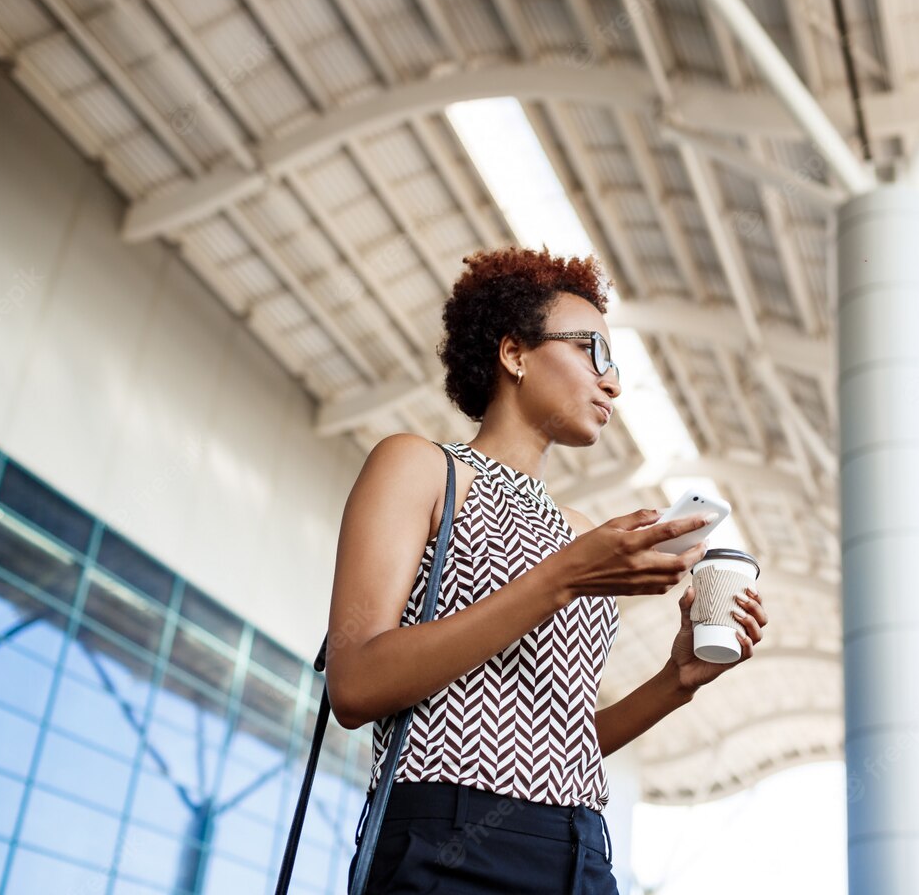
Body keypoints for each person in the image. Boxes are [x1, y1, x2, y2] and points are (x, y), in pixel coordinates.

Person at [324, 246, 769, 894]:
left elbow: (557, 742)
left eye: (615, 364)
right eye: (594, 351)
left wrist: (676, 681)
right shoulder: (420, 468)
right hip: (448, 840)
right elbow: (356, 684)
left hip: (580, 848)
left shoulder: (582, 533)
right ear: (515, 354)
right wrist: (560, 579)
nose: (612, 381)